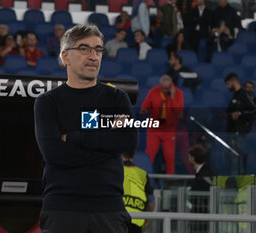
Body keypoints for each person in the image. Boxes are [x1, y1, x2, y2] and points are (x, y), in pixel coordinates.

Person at [34, 24, 138, 233]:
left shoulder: (117, 98)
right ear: (65, 56)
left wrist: (74, 138)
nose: (93, 56)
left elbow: (127, 143)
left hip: (109, 209)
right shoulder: (47, 102)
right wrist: (107, 147)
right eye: (84, 49)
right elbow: (54, 154)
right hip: (63, 209)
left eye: (98, 49)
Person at [140, 75, 184, 174]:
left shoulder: (178, 94)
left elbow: (179, 114)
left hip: (169, 130)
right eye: (162, 88)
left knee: (169, 157)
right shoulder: (153, 91)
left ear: (171, 87)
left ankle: (170, 181)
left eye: (166, 88)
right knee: (149, 154)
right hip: (154, 128)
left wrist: (172, 97)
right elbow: (145, 106)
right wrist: (144, 110)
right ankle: (143, 176)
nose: (164, 90)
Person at [222, 73, 256, 175]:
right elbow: (232, 112)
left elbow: (254, 110)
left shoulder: (244, 94)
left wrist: (240, 114)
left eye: (228, 84)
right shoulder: (235, 94)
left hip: (239, 131)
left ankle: (237, 181)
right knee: (229, 157)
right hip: (231, 130)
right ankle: (232, 180)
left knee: (236, 158)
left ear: (233, 81)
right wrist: (227, 115)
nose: (227, 87)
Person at [122, 151, 155, 233]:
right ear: (133, 156)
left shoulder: (115, 171)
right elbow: (151, 203)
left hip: (118, 220)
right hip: (137, 222)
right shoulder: (143, 174)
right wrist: (147, 220)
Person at [188, 144, 216, 233]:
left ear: (193, 158)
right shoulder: (207, 171)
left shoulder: (204, 174)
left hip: (202, 215)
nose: (189, 159)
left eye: (189, 157)